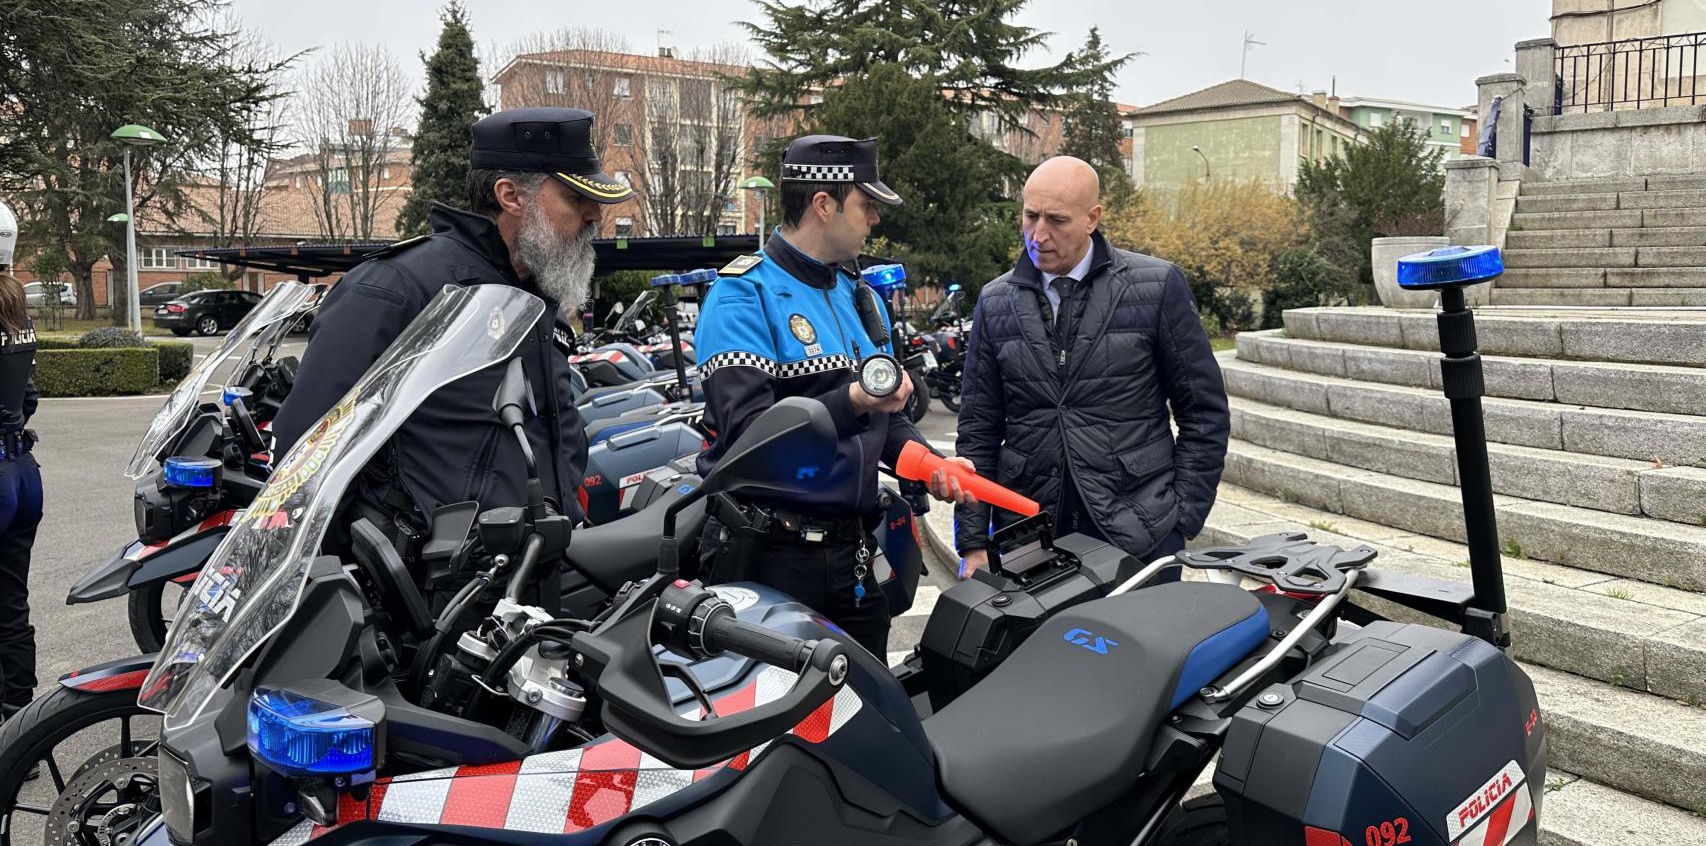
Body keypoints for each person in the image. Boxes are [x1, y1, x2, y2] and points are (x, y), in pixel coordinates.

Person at [274, 107, 634, 532]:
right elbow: (306, 461)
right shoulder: (396, 288)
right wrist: (369, 578)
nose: (594, 215)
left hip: (534, 570)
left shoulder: (534, 294)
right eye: (577, 199)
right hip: (438, 586)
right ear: (511, 196)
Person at [693, 135, 973, 656]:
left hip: (854, 554)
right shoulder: (740, 296)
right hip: (771, 558)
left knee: (858, 711)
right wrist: (853, 401)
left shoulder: (858, 293)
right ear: (824, 204)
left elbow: (886, 419)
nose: (875, 220)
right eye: (867, 205)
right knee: (775, 725)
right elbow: (749, 438)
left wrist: (933, 465)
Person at [954, 156, 1229, 581]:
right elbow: (978, 428)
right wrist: (972, 541)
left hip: (1141, 530)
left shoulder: (1155, 287)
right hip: (1029, 534)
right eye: (1030, 216)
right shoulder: (995, 301)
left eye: (1057, 220)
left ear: (1092, 219)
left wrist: (1182, 518)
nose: (1038, 235)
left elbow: (1203, 413)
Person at [0, 274, 40, 721]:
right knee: (11, 601)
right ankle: (17, 723)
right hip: (23, 472)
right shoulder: (16, 314)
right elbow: (28, 398)